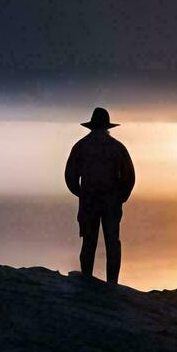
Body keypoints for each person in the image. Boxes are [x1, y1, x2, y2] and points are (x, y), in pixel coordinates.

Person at [64, 107, 136, 284]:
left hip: (89, 202)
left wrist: (81, 194)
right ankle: (112, 283)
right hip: (111, 202)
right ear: (107, 127)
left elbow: (70, 176)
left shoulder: (81, 146)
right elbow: (130, 177)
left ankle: (86, 281)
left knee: (89, 242)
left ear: (91, 127)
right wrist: (121, 196)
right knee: (112, 242)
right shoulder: (117, 147)